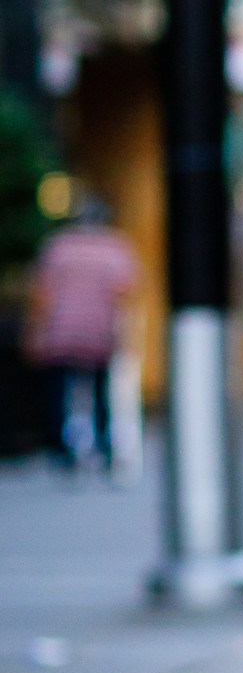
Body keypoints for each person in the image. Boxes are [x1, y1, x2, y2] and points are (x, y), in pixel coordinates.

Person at [24, 193, 140, 469]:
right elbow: (126, 291)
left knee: (60, 390)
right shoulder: (115, 248)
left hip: (61, 330)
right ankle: (102, 445)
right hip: (99, 329)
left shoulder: (59, 247)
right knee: (100, 391)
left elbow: (43, 291)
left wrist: (35, 330)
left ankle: (61, 448)